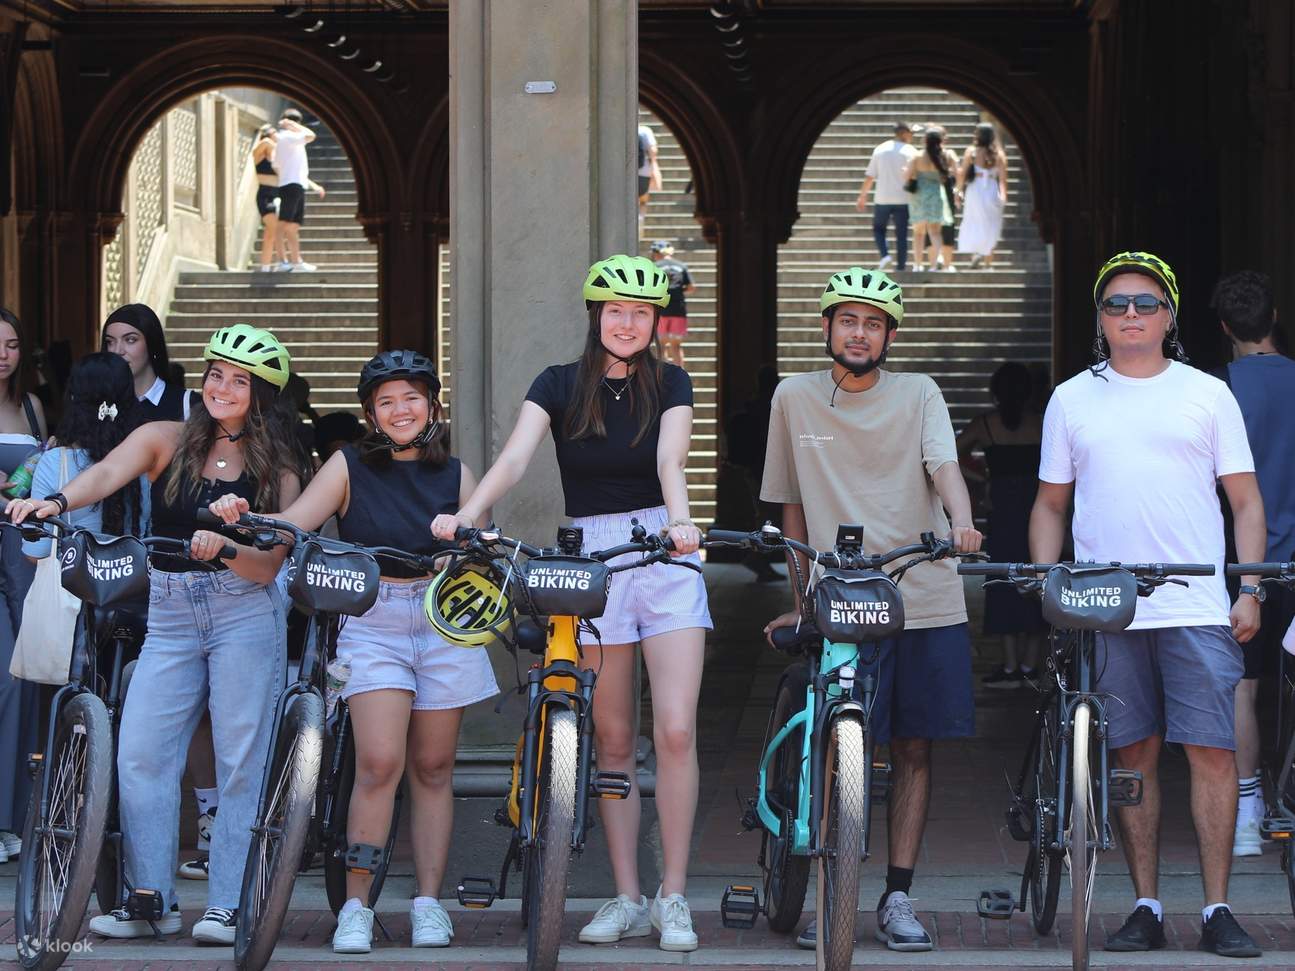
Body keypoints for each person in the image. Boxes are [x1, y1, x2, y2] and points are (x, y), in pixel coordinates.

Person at [432, 254, 710, 953]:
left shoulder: (672, 381)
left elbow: (670, 462)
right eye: (615, 310)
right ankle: (626, 893)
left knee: (674, 730)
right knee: (612, 737)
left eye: (640, 313)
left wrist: (680, 526)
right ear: (595, 314)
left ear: (654, 322)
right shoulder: (557, 384)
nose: (627, 323)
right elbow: (514, 457)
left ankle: (672, 894)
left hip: (662, 549)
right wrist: (466, 514)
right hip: (591, 556)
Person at [9, 323, 302, 945]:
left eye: (240, 380)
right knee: (141, 751)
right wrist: (55, 503)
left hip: (243, 612)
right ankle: (151, 900)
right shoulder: (166, 437)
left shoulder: (277, 466)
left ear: (264, 395)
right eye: (217, 374)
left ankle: (227, 903)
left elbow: (267, 565)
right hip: (168, 610)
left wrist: (226, 546)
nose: (222, 387)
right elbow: (108, 472)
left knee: (240, 760)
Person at [209, 349, 496, 953]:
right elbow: (294, 522)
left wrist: (464, 550)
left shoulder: (461, 474)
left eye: (411, 398)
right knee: (379, 763)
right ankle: (357, 908)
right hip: (374, 617)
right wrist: (243, 517)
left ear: (432, 406)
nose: (400, 410)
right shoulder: (347, 465)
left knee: (434, 768)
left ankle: (428, 904)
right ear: (370, 412)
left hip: (444, 615)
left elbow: (480, 547)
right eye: (386, 401)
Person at [1031, 251, 1265, 958]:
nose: (1129, 314)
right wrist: (1049, 584)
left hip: (1195, 605)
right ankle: (1145, 903)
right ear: (1099, 319)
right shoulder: (1071, 397)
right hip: (1107, 605)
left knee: (1212, 754)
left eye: (1143, 302)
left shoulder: (1207, 392)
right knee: (1130, 757)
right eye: (1114, 304)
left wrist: (1247, 587)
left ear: (1168, 314)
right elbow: (1049, 505)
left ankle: (1218, 906)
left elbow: (1245, 500)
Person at [760, 267, 982, 952]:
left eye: (874, 322)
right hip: (841, 601)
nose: (860, 332)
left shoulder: (918, 391)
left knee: (913, 746)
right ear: (826, 327)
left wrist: (963, 521)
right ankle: (832, 888)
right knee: (832, 741)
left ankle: (895, 896)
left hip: (922, 592)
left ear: (890, 335)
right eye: (848, 320)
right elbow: (791, 501)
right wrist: (799, 595)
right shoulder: (792, 397)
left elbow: (943, 464)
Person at [1209, 270, 1295, 857]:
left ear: (1224, 329)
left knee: (1242, 687)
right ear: (1274, 319)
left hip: (1243, 565)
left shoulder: (1217, 390)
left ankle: (1244, 815)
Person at [956, 362, 1045, 686]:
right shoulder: (1042, 422)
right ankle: (1031, 667)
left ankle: (1009, 667)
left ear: (995, 391)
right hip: (1039, 508)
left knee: (1005, 583)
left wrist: (983, 478)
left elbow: (950, 458)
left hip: (1003, 508)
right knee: (1039, 578)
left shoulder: (986, 424)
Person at [0, 306, 47, 864]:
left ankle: (15, 816)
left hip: (19, 548)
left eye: (12, 344)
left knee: (25, 674)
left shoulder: (30, 406)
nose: (3, 354)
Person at [101, 303, 196, 421]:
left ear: (152, 343)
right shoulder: (100, 405)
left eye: (130, 340)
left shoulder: (186, 404)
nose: (117, 351)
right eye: (110, 342)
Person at [857, 121, 918, 272]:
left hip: (882, 198)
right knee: (902, 235)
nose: (912, 136)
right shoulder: (911, 151)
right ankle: (901, 267)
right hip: (903, 199)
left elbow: (870, 176)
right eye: (911, 133)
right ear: (903, 133)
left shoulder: (880, 149)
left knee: (879, 229)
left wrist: (862, 195)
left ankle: (885, 256)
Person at [902, 126, 958, 272]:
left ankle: (918, 264)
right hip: (937, 194)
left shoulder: (917, 156)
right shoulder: (946, 155)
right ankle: (934, 264)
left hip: (919, 195)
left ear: (925, 140)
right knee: (935, 232)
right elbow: (958, 172)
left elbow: (906, 176)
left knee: (918, 232)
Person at [956, 122, 1008, 269]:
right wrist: (1003, 195)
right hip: (991, 188)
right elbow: (1003, 179)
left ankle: (976, 254)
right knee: (991, 224)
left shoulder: (971, 152)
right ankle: (988, 262)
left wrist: (958, 191)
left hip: (975, 189)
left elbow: (962, 174)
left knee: (974, 221)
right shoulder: (999, 154)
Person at [275, 108, 317, 273]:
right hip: (291, 184)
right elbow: (311, 135)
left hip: (296, 183)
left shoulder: (291, 139)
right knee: (282, 224)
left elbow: (277, 165)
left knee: (292, 226)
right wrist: (292, 125)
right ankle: (282, 261)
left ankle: (296, 261)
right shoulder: (288, 137)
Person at [649, 241, 696, 369]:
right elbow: (692, 287)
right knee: (676, 346)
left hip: (661, 309)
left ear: (656, 253)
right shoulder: (681, 266)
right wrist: (680, 291)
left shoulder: (654, 267)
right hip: (679, 310)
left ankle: (662, 376)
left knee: (662, 345)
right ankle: (680, 376)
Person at [251, 123, 283, 272]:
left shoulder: (278, 156)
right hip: (265, 195)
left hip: (278, 194)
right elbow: (264, 144)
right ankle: (282, 262)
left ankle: (265, 267)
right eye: (274, 133)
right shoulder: (261, 152)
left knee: (270, 233)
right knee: (275, 227)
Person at [637, 122, 660, 236]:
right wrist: (655, 170)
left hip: (623, 174)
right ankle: (639, 220)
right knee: (643, 200)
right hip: (643, 172)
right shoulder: (644, 130)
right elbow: (653, 151)